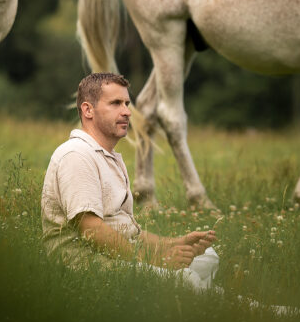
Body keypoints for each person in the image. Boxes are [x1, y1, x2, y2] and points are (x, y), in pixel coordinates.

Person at [41, 72, 218, 288]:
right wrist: (156, 260)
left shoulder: (108, 157)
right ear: (88, 110)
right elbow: (91, 229)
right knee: (186, 281)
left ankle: (208, 296)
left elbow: (129, 232)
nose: (127, 112)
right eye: (116, 103)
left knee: (207, 256)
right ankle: (232, 303)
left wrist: (173, 244)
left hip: (120, 255)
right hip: (89, 266)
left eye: (127, 103)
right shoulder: (76, 155)